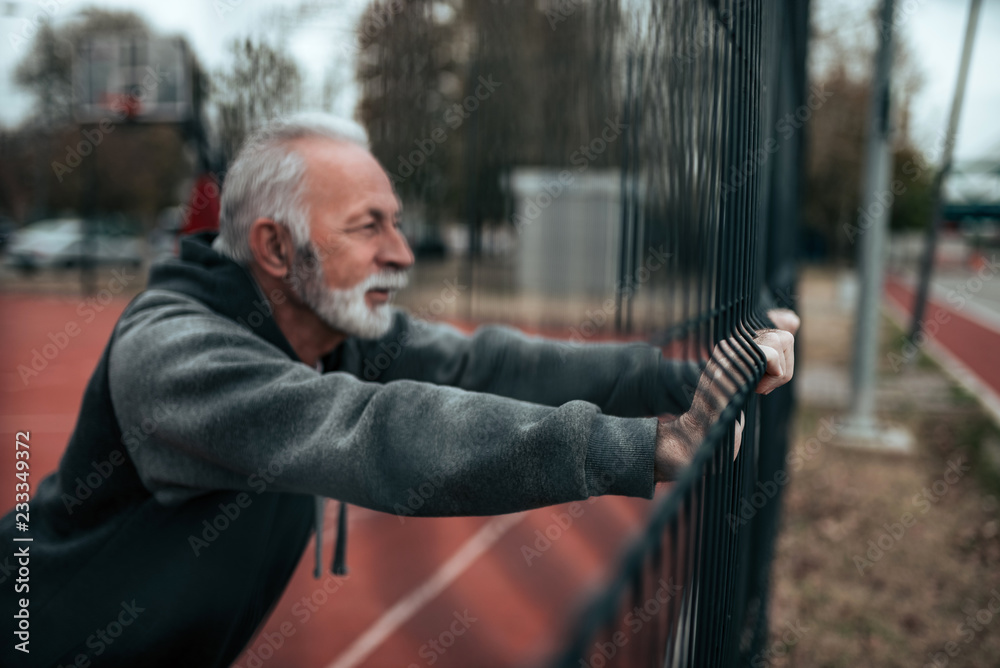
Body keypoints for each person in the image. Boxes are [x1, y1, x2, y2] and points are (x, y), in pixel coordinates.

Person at [0, 114, 796, 667]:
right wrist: (643, 445)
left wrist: (695, 380)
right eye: (368, 226)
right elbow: (372, 433)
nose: (401, 252)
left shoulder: (332, 328)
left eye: (398, 222)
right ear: (277, 248)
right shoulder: (173, 352)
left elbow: (490, 364)